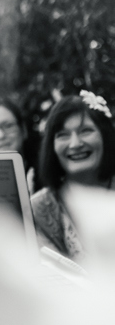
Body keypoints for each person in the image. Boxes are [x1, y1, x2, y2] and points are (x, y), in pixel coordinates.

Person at [30, 91, 115, 261]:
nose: (75, 144)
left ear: (105, 136)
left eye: (86, 131)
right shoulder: (41, 208)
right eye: (63, 135)